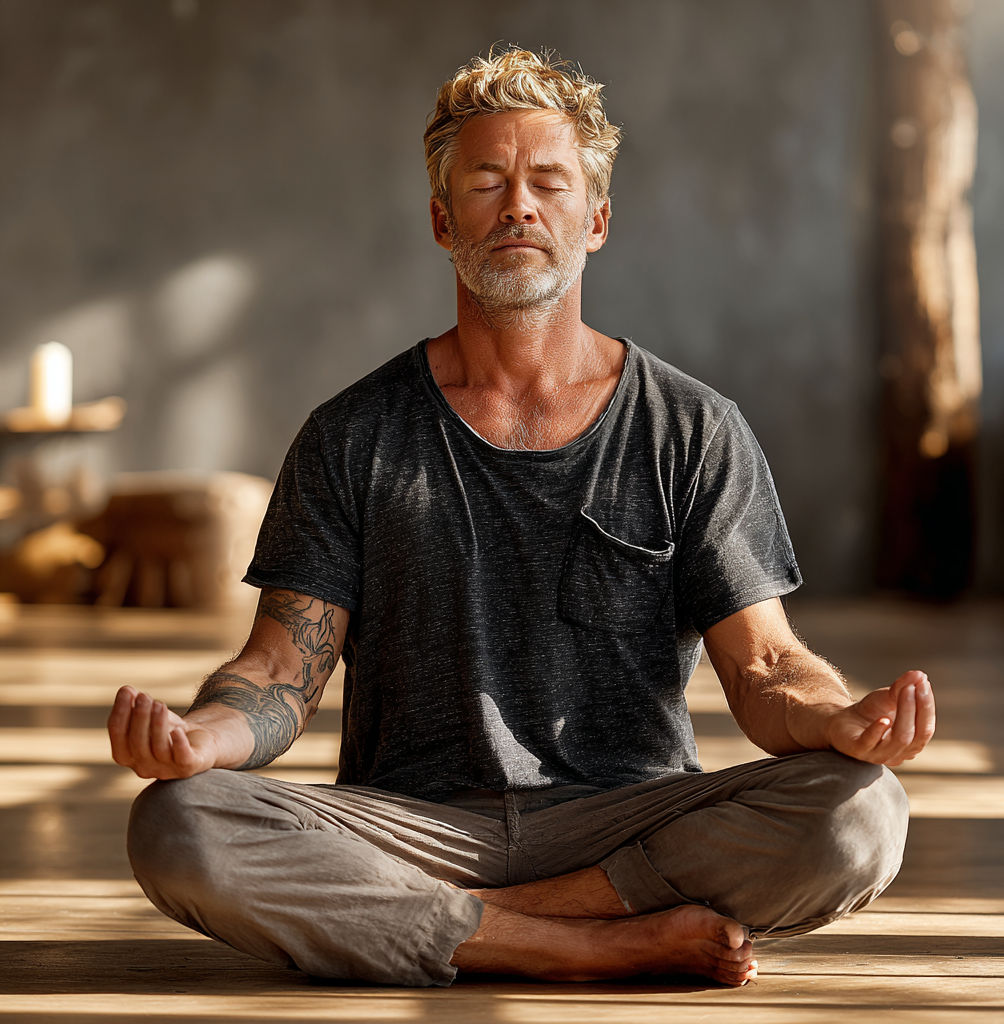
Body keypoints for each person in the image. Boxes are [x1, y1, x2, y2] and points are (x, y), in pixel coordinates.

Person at [109, 48, 933, 989]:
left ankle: (467, 931)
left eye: (548, 182)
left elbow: (768, 668)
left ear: (597, 220)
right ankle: (590, 944)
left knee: (862, 811)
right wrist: (200, 738)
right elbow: (280, 669)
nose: (519, 207)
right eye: (487, 183)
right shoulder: (353, 434)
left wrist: (844, 718)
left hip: (631, 823)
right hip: (413, 827)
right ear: (441, 219)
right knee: (178, 822)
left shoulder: (693, 428)